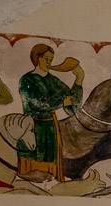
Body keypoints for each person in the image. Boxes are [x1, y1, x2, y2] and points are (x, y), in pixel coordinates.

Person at [17, 43, 84, 182]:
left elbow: (72, 104)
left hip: (50, 127)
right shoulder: (27, 80)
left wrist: (79, 80)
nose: (49, 62)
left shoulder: (52, 80)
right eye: (46, 58)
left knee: (51, 165)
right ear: (37, 58)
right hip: (32, 127)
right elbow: (37, 103)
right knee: (33, 165)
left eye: (51, 59)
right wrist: (61, 102)